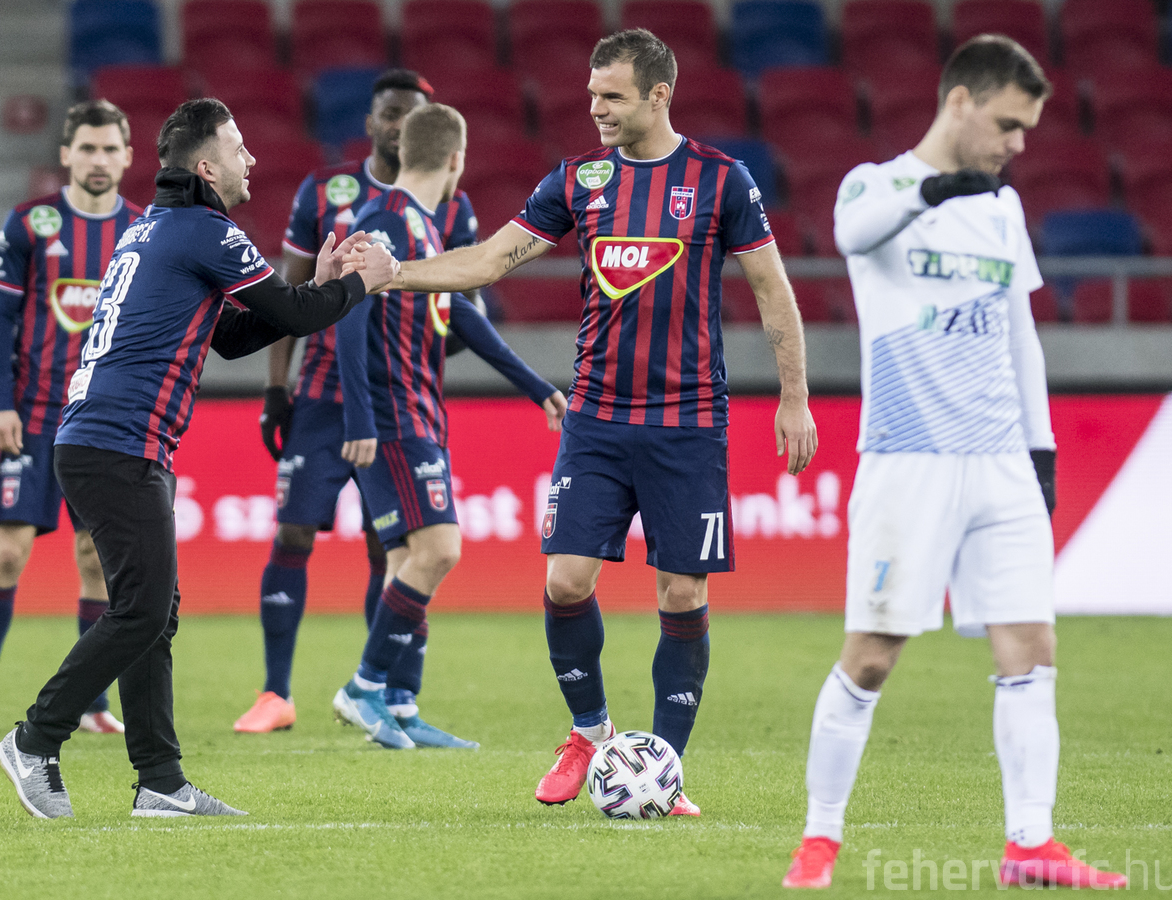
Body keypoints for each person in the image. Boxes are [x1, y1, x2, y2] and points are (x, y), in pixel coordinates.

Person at [348, 29, 817, 812]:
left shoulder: (720, 179)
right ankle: (590, 734)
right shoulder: (578, 179)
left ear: (659, 95)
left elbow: (772, 288)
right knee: (565, 582)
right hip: (596, 418)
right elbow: (491, 258)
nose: (595, 108)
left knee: (681, 594)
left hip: (687, 422)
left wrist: (793, 395)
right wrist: (394, 274)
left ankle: (663, 769)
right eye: (592, 93)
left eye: (612, 96)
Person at [781, 36, 1125, 890]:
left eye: (1027, 129)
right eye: (1008, 124)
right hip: (910, 458)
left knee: (1030, 647)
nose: (1018, 144)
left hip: (1001, 459)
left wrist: (1040, 452)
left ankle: (1031, 845)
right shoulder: (874, 184)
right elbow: (854, 230)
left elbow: (1020, 337)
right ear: (961, 101)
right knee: (873, 653)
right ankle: (820, 838)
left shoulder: (1003, 210)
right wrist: (938, 189)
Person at [0, 98, 399, 819]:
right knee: (143, 610)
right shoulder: (208, 230)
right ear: (206, 167)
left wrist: (319, 286)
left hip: (106, 440)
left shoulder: (152, 228)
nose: (252, 160)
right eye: (239, 148)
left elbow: (235, 336)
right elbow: (294, 317)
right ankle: (35, 739)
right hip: (119, 443)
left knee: (152, 612)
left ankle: (160, 781)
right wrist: (364, 281)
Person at [235, 69, 483, 734]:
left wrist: (412, 360)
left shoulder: (451, 205)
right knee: (293, 531)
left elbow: (463, 309)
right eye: (391, 113)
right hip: (320, 394)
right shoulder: (325, 190)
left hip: (393, 403)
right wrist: (275, 388)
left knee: (392, 547)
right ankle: (275, 693)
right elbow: (288, 292)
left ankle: (388, 697)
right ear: (372, 122)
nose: (400, 125)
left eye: (413, 115)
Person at [330, 103, 568, 750]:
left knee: (405, 560)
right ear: (457, 159)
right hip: (393, 416)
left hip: (418, 412)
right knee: (440, 551)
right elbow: (348, 313)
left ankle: (400, 705)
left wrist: (536, 386)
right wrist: (359, 416)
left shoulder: (420, 225)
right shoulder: (386, 218)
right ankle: (364, 687)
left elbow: (464, 317)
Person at [0, 99, 141, 736]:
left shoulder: (144, 230)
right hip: (32, 416)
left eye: (109, 149)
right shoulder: (30, 223)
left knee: (96, 558)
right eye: (87, 148)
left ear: (128, 157)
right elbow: (0, 320)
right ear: (66, 154)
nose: (98, 159)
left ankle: (94, 703)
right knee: (8, 552)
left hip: (104, 421)